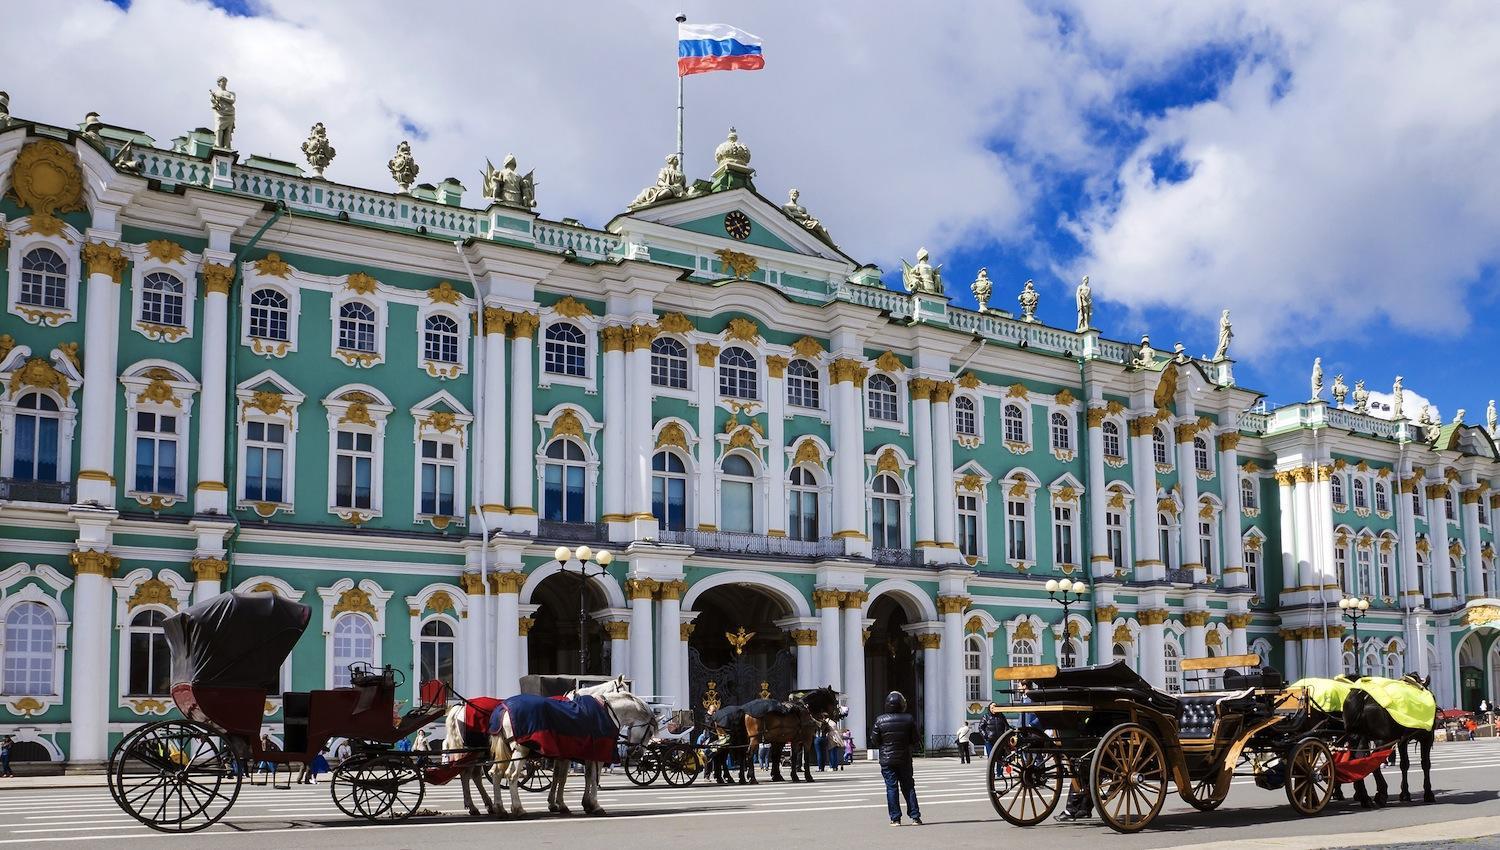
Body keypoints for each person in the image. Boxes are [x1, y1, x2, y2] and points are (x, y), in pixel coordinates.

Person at [871, 691, 922, 826]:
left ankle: (895, 819)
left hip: (887, 760)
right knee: (908, 787)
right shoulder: (909, 719)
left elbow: (874, 740)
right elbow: (916, 739)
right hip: (904, 758)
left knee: (891, 788)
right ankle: (915, 817)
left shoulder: (880, 720)